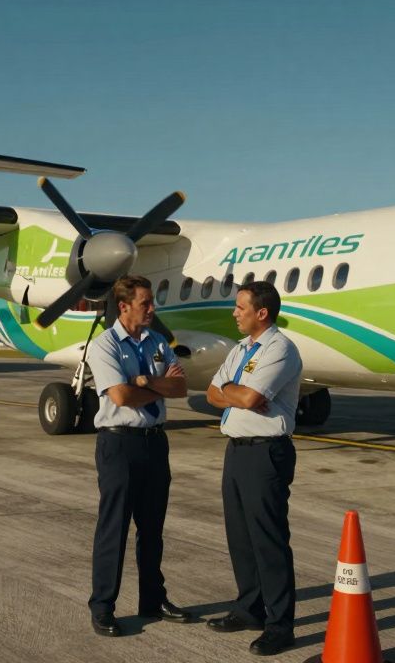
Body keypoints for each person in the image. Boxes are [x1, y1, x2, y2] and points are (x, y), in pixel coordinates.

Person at [85, 275, 193, 637]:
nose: (152, 309)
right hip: (119, 444)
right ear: (124, 306)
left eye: (152, 302)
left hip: (154, 442)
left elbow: (180, 386)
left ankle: (152, 599)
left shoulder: (158, 341)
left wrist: (144, 383)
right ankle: (102, 606)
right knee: (113, 528)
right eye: (146, 303)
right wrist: (149, 386)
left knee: (152, 528)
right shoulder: (104, 346)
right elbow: (119, 396)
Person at [205, 280, 303, 656]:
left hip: (266, 453)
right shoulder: (241, 348)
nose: (234, 313)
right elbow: (212, 393)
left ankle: (281, 625)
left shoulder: (280, 349)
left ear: (261, 313)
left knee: (269, 540)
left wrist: (237, 393)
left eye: (240, 307)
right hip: (236, 449)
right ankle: (250, 609)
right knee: (240, 537)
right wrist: (237, 393)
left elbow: (251, 396)